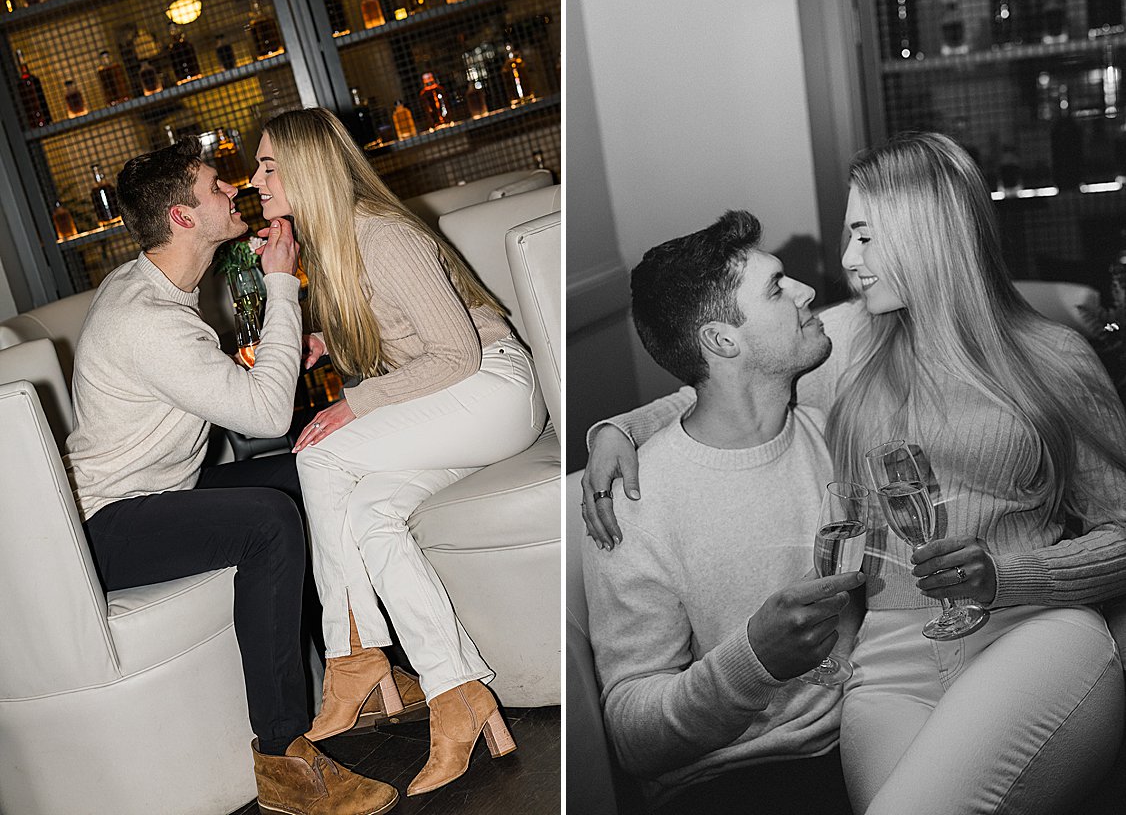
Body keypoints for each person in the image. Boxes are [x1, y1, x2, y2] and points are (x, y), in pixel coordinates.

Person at [584, 132, 1126, 814]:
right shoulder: (852, 350)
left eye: (865, 237)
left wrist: (1007, 575)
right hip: (892, 655)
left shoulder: (1055, 358)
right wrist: (618, 428)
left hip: (1032, 625)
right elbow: (723, 381)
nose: (845, 261)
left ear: (924, 234)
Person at [65, 137, 398, 814]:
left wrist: (273, 362)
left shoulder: (156, 287)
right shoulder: (146, 317)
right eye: (216, 186)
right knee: (267, 523)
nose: (234, 189)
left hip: (159, 494)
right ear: (184, 218)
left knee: (320, 465)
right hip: (104, 526)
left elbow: (226, 397)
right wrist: (281, 282)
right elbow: (267, 415)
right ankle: (283, 759)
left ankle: (355, 668)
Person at [250, 107, 546, 795]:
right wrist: (331, 344)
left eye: (270, 167)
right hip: (452, 409)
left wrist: (352, 402)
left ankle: (352, 653)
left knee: (318, 455)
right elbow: (401, 354)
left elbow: (455, 354)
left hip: (495, 387)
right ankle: (458, 692)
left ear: (308, 169)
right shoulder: (331, 249)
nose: (257, 180)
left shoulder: (380, 234)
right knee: (370, 517)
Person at [581, 209, 865, 814]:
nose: (806, 290)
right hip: (730, 781)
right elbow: (632, 738)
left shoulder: (824, 424)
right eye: (776, 286)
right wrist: (752, 661)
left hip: (865, 730)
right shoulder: (632, 499)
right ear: (722, 340)